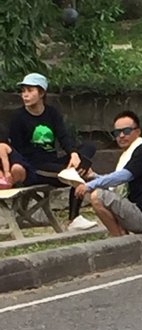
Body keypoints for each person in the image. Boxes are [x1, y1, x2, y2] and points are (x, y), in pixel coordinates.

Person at [8, 73, 96, 229]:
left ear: (41, 93)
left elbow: (64, 136)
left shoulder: (52, 113)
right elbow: (18, 151)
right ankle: (74, 218)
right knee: (79, 172)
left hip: (54, 163)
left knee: (88, 148)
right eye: (23, 91)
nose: (25, 95)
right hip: (34, 167)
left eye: (30, 90)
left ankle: (78, 171)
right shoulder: (18, 118)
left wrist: (74, 155)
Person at [75, 111, 142, 237]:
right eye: (117, 133)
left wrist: (90, 185)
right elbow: (118, 183)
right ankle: (121, 236)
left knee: (98, 197)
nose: (121, 136)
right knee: (98, 194)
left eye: (127, 131)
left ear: (138, 132)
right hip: (136, 211)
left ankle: (120, 239)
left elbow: (123, 176)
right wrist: (94, 177)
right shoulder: (129, 154)